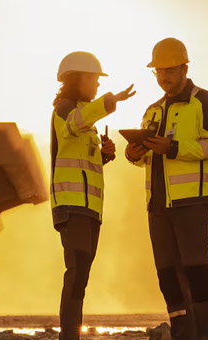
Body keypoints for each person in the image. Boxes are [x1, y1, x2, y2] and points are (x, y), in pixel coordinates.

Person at [125, 38, 208, 340]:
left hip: (192, 202)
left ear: (185, 68)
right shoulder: (153, 110)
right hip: (158, 206)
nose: (164, 77)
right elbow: (148, 160)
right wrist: (135, 153)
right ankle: (182, 335)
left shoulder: (204, 102)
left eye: (170, 70)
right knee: (167, 275)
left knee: (196, 268)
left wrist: (175, 148)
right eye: (159, 71)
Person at [51, 51, 135, 340]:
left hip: (88, 209)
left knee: (81, 276)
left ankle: (71, 334)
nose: (98, 85)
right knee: (75, 273)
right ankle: (69, 336)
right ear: (77, 80)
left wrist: (104, 156)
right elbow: (75, 122)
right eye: (94, 79)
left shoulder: (86, 120)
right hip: (71, 206)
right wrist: (111, 101)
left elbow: (84, 162)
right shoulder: (64, 110)